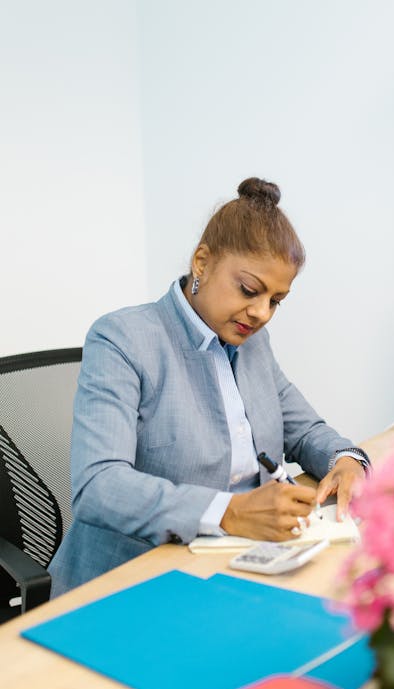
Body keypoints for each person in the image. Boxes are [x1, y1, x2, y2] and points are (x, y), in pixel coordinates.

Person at [48, 177, 370, 596]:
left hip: (233, 565)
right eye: (250, 290)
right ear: (202, 262)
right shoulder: (123, 339)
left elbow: (305, 430)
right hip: (133, 580)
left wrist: (347, 461)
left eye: (275, 300)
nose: (261, 314)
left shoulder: (254, 343)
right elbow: (99, 486)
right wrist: (229, 512)